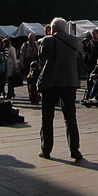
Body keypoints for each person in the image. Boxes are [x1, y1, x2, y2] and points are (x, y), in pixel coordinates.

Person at [37, 17, 82, 161]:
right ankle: (74, 149)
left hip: (52, 82)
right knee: (70, 118)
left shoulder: (47, 40)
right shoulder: (74, 40)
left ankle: (46, 149)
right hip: (70, 82)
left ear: (53, 28)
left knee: (47, 118)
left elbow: (42, 58)